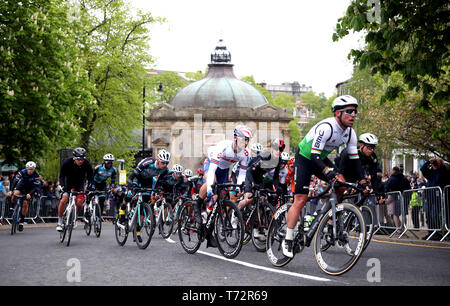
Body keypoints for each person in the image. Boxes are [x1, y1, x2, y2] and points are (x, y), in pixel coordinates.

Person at [282, 95, 365, 258]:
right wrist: (328, 172)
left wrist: (363, 181)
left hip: (320, 158)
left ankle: (327, 218)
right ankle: (288, 238)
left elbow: (355, 160)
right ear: (337, 114)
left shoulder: (350, 134)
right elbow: (314, 155)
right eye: (349, 111)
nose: (353, 115)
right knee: (300, 199)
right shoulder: (327, 127)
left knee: (341, 184)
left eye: (355, 111)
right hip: (305, 157)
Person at [194, 125, 253, 247]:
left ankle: (209, 229)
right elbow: (212, 171)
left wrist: (238, 188)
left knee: (219, 200)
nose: (245, 142)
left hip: (224, 171)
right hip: (211, 165)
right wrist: (210, 187)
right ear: (235, 138)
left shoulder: (245, 154)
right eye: (243, 139)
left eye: (247, 140)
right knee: (213, 184)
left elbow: (242, 173)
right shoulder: (224, 147)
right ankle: (197, 203)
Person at [57, 147, 94, 232]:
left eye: (82, 159)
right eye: (79, 159)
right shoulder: (67, 162)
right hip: (68, 183)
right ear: (74, 158)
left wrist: (90, 186)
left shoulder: (87, 164)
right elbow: (61, 176)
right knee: (64, 200)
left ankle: (74, 217)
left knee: (80, 202)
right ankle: (59, 221)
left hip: (80, 183)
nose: (81, 161)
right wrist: (62, 186)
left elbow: (90, 177)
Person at [420, 157, 450, 240]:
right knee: (428, 216)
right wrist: (429, 162)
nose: (434, 164)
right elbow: (422, 169)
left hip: (438, 197)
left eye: (436, 163)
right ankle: (431, 232)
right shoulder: (430, 172)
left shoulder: (443, 171)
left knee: (434, 215)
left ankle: (437, 233)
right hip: (429, 196)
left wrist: (439, 164)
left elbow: (443, 173)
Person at [7, 161, 42, 231]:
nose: (30, 171)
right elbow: (15, 181)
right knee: (15, 194)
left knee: (25, 204)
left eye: (31, 169)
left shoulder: (36, 175)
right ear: (26, 168)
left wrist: (30, 194)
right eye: (28, 169)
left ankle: (22, 222)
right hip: (21, 186)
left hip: (30, 189)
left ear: (34, 169)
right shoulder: (22, 172)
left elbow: (36, 187)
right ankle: (12, 207)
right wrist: (11, 190)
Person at [87, 153, 117, 219]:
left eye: (111, 163)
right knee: (90, 195)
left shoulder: (113, 170)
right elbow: (90, 177)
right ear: (105, 162)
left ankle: (98, 215)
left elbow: (113, 180)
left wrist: (111, 187)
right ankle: (87, 209)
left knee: (102, 198)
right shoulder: (98, 167)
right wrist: (90, 186)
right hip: (94, 182)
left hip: (102, 183)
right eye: (108, 162)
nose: (110, 164)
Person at [384, 166, 411, 235]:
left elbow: (386, 187)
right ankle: (403, 229)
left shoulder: (392, 178)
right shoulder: (404, 178)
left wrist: (389, 193)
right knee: (404, 213)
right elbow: (409, 188)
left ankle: (398, 230)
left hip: (396, 197)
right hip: (405, 197)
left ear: (393, 171)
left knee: (396, 214)